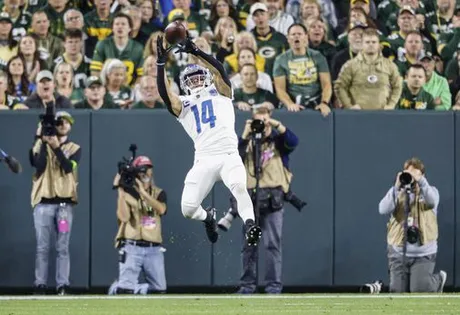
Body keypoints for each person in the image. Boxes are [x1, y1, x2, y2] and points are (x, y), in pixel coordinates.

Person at [155, 34, 262, 246]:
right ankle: (208, 218)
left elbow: (219, 70)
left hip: (229, 153)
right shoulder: (184, 104)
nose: (195, 80)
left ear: (206, 77)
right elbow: (166, 95)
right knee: (187, 208)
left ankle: (250, 225)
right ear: (184, 84)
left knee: (240, 186)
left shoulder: (221, 91)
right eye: (190, 79)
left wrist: (196, 51)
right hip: (204, 158)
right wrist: (160, 64)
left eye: (198, 76)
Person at [30, 111, 81, 295]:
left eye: (66, 122)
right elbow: (38, 165)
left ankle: (62, 284)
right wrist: (43, 140)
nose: (62, 124)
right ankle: (40, 284)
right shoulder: (39, 144)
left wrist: (56, 146)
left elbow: (68, 167)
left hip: (64, 205)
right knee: (42, 247)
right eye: (59, 121)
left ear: (70, 126)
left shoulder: (75, 147)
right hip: (43, 202)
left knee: (62, 247)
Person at [378, 157, 447, 293]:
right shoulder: (396, 193)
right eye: (408, 174)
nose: (412, 178)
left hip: (423, 253)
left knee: (419, 290)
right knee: (397, 292)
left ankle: (438, 280)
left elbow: (432, 202)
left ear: (423, 175)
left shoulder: (431, 191)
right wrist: (396, 187)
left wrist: (421, 181)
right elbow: (383, 209)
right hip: (399, 252)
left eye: (415, 174)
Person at [109, 156, 167, 295]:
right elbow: (124, 217)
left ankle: (137, 288)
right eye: (141, 172)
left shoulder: (158, 193)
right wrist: (121, 191)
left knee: (159, 290)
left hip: (153, 248)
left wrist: (143, 193)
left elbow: (161, 209)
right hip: (132, 246)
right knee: (125, 291)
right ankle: (118, 287)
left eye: (147, 171)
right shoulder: (128, 193)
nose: (145, 175)